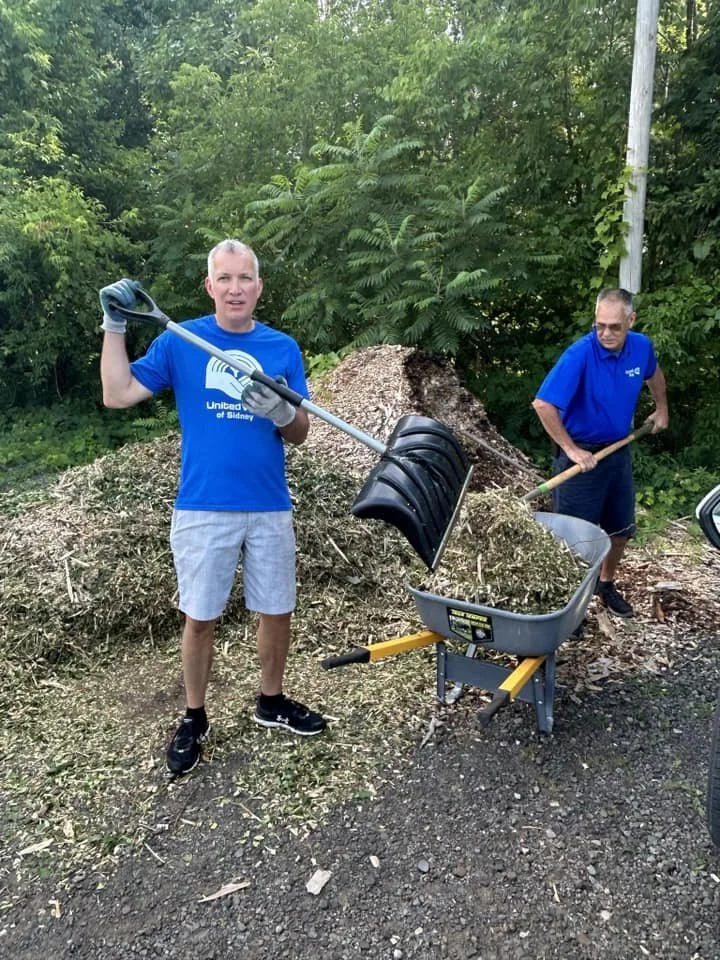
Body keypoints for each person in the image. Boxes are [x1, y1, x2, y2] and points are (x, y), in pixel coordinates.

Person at [99, 239, 327, 777]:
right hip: (203, 506)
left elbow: (301, 432)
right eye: (224, 279)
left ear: (259, 286)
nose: (235, 288)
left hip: (270, 503)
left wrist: (281, 413)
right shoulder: (184, 341)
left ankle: (271, 701)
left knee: (277, 609)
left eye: (244, 278)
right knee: (200, 618)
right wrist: (113, 327)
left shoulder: (282, 348)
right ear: (210, 286)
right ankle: (194, 717)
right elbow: (118, 393)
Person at [531, 288, 669, 618]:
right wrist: (571, 449)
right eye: (599, 326)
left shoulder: (641, 347)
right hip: (583, 460)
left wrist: (662, 408)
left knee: (620, 530)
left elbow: (654, 374)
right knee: (574, 541)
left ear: (631, 320)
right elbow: (543, 404)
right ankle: (569, 607)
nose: (605, 333)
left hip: (617, 453)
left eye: (614, 327)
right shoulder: (579, 355)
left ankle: (604, 585)